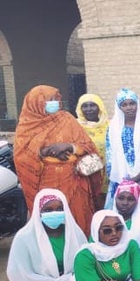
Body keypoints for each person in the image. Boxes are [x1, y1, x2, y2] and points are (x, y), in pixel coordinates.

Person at [14, 85, 101, 232]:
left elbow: (88, 147)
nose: (54, 103)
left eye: (56, 99)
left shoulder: (67, 119)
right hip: (47, 184)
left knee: (79, 220)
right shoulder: (26, 126)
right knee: (53, 223)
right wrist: (46, 152)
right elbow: (21, 157)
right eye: (49, 100)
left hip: (75, 180)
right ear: (35, 103)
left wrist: (68, 147)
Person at [106, 88, 140, 226]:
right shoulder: (113, 127)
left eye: (132, 103)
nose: (129, 107)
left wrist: (137, 178)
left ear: (138, 104)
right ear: (119, 107)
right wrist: (123, 179)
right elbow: (110, 155)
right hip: (121, 180)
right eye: (124, 104)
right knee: (121, 216)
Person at [111, 180, 140, 266]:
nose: (125, 203)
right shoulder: (105, 219)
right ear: (115, 199)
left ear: (137, 202)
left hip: (138, 267)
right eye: (121, 198)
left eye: (131, 199)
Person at [76, 94, 110, 199]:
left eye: (92, 105)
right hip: (85, 174)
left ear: (99, 107)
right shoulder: (75, 126)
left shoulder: (110, 125)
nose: (89, 109)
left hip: (108, 174)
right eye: (85, 106)